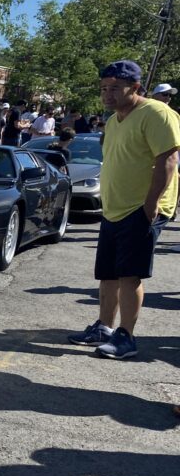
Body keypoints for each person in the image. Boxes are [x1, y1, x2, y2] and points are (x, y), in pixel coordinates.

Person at [67, 60, 180, 359]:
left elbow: (168, 160)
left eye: (116, 88)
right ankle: (104, 327)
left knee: (130, 275)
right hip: (114, 208)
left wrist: (152, 203)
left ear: (136, 87)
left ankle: (126, 336)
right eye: (104, 88)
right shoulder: (115, 120)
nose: (108, 94)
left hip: (141, 208)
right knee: (108, 273)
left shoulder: (157, 113)